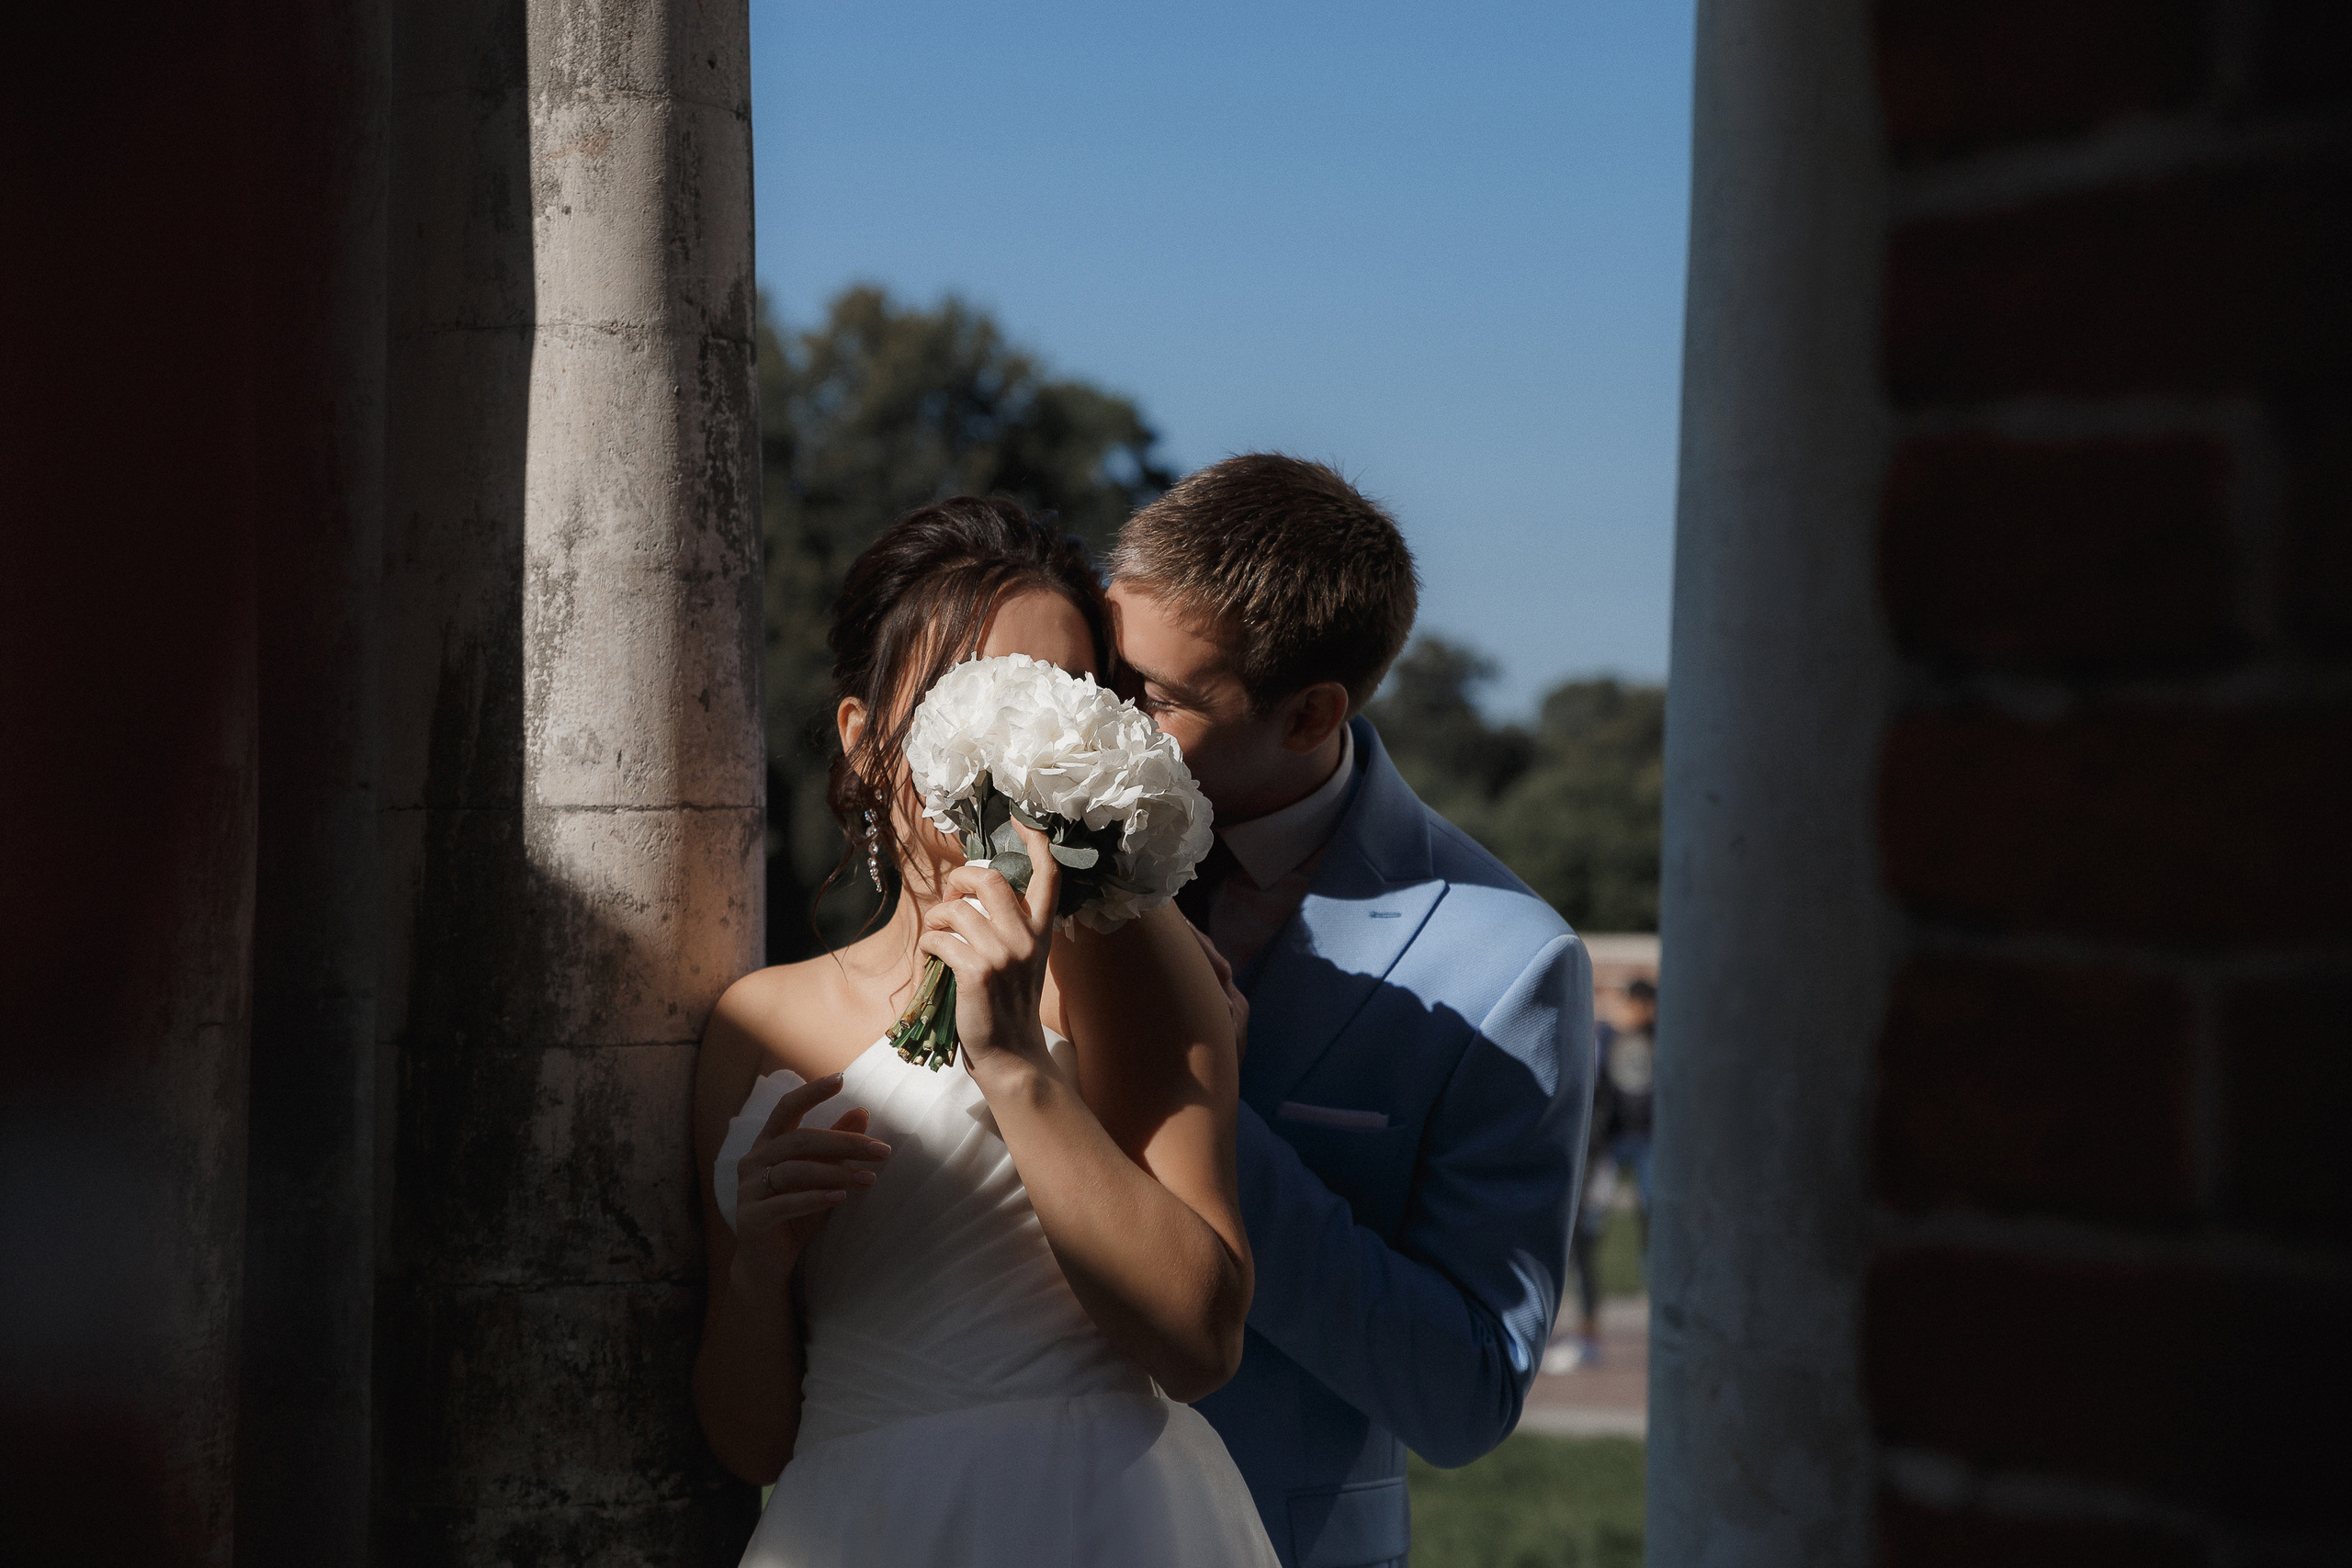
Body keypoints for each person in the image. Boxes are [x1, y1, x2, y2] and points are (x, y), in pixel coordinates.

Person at [691, 497, 1280, 1566]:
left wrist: (1013, 1065)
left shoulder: (1133, 955)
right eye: (969, 695)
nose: (1018, 746)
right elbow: (752, 1443)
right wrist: (757, 1275)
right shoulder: (757, 1020)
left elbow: (1200, 1344)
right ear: (862, 740)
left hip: (1104, 1521)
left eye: (1057, 696)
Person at [1105, 455, 1594, 1568]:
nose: (1107, 719)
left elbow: (1467, 1392)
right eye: (1107, 671)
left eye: (1160, 699)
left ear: (1311, 713)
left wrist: (1199, 1113)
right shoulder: (1027, 831)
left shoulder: (1508, 965)